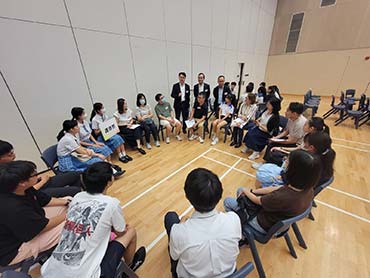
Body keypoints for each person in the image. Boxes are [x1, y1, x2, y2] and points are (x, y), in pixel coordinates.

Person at [41, 162, 146, 277]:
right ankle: (130, 266)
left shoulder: (77, 197)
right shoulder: (112, 203)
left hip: (50, 271)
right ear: (110, 181)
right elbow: (120, 232)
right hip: (88, 275)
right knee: (130, 230)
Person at [164, 168, 241, 278]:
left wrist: (181, 225)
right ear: (219, 196)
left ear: (187, 196)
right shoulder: (233, 219)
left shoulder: (179, 231)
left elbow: (174, 256)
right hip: (230, 274)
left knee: (170, 217)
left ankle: (174, 273)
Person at [224, 149, 321, 234]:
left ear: (294, 170)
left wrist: (247, 191)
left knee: (228, 201)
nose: (285, 162)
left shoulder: (282, 197)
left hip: (262, 223)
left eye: (288, 161)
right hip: (278, 220)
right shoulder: (307, 189)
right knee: (242, 191)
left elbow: (257, 200)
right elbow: (277, 189)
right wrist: (253, 190)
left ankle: (240, 228)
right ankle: (242, 214)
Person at [0, 161, 69, 267]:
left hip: (29, 226)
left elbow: (44, 200)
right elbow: (42, 227)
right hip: (14, 248)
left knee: (69, 200)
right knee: (74, 223)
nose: (38, 174)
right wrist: (69, 214)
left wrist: (67, 203)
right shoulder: (13, 207)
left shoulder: (21, 189)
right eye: (34, 174)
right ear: (22, 183)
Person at [0, 140, 82, 198]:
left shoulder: (10, 165)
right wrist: (42, 181)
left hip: (35, 183)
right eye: (10, 155)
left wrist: (37, 178)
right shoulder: (4, 176)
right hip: (32, 193)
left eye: (13, 152)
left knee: (75, 175)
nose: (14, 155)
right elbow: (21, 193)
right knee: (74, 190)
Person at [255, 131, 335, 189]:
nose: (304, 145)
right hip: (302, 187)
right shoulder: (326, 156)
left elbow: (292, 179)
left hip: (292, 187)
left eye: (305, 144)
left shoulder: (310, 162)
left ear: (311, 147)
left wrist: (283, 176)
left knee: (261, 174)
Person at [253, 116, 330, 169]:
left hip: (299, 157)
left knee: (275, 153)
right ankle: (268, 164)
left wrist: (282, 150)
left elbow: (298, 150)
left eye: (306, 124)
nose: (304, 125)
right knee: (273, 147)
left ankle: (272, 167)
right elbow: (299, 148)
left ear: (312, 128)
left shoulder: (312, 141)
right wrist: (281, 148)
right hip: (298, 152)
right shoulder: (309, 135)